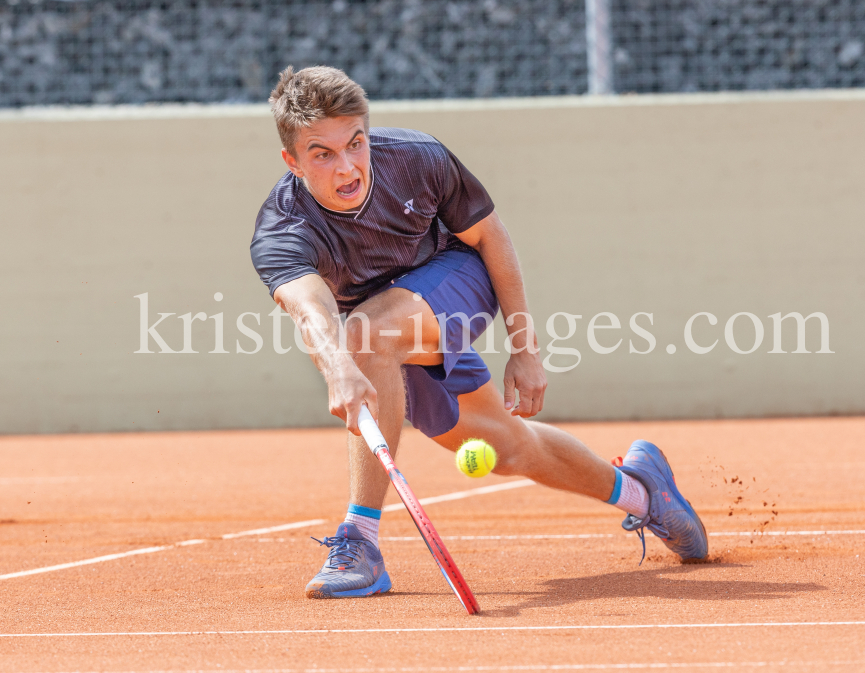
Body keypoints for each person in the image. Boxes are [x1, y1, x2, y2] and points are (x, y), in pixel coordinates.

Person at [250, 65, 708, 599]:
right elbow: (310, 310)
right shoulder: (283, 228)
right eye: (322, 154)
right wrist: (338, 371)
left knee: (366, 335)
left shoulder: (416, 160)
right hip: (392, 334)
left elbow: (492, 237)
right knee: (510, 448)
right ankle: (645, 493)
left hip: (457, 280)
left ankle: (362, 539)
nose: (347, 166)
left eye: (355, 143)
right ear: (293, 162)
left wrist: (525, 351)